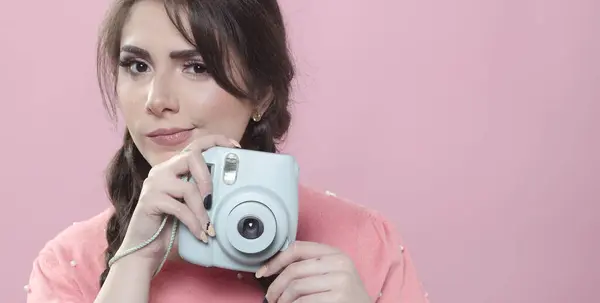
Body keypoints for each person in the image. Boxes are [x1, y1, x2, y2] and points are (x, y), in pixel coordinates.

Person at [26, 0, 428, 302]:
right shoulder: (70, 263)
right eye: (137, 66)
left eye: (197, 66)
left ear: (262, 96)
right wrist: (133, 261)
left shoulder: (365, 243)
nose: (157, 99)